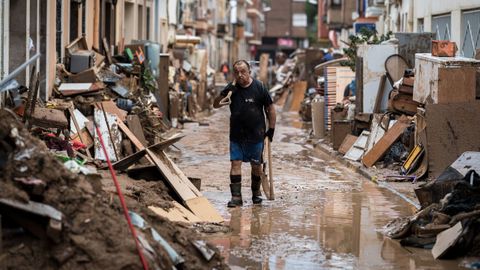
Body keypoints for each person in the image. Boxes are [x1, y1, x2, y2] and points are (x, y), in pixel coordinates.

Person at [213, 60, 276, 207]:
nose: (240, 75)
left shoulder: (259, 87)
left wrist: (271, 130)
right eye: (237, 72)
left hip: (256, 135)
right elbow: (215, 105)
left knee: (256, 166)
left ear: (249, 72)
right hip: (236, 135)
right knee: (235, 163)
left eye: (243, 72)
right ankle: (236, 197)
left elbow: (270, 109)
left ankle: (256, 193)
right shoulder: (231, 89)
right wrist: (227, 91)